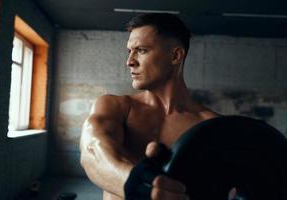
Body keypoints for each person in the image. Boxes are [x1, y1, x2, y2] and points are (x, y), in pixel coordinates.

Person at [80, 13, 219, 200]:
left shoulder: (210, 125)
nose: (129, 61)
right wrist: (135, 184)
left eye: (142, 50)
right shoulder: (117, 107)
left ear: (175, 56)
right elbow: (92, 151)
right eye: (129, 51)